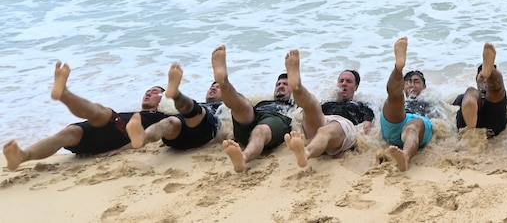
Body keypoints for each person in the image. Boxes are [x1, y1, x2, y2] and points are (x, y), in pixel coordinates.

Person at [4, 62, 166, 171]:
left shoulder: (160, 116)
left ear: (164, 100)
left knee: (103, 113)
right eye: (148, 90)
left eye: (155, 92)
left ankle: (64, 94)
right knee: (68, 133)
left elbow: (152, 135)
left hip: (122, 132)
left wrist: (122, 149)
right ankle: (22, 156)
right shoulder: (135, 111)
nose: (148, 92)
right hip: (98, 142)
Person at [211, 45, 295, 173]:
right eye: (278, 84)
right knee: (242, 104)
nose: (280, 86)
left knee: (260, 130)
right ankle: (223, 81)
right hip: (256, 114)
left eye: (285, 84)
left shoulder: (294, 104)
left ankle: (243, 157)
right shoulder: (264, 100)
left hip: (277, 118)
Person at [283, 50, 371, 168]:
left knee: (324, 131)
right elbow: (308, 118)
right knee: (312, 104)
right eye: (341, 81)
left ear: (356, 87)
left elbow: (365, 130)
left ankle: (306, 152)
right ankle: (297, 86)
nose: (344, 84)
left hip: (343, 127)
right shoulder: (327, 103)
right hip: (324, 122)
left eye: (349, 82)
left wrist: (352, 147)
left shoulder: (362, 105)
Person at [127, 64, 222, 152]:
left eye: (218, 87)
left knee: (194, 110)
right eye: (212, 86)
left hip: (204, 129)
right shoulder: (201, 104)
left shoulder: (223, 106)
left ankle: (175, 94)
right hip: (176, 140)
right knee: (168, 122)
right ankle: (143, 137)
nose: (213, 88)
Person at [380, 37, 440, 171]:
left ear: (424, 86)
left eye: (416, 81)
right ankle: (398, 68)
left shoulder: (430, 99)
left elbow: (441, 123)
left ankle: (405, 156)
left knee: (413, 126)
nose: (411, 84)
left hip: (418, 127)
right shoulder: (402, 97)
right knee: (394, 97)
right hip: (395, 123)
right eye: (407, 82)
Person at [453, 43, 507, 137]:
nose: (485, 81)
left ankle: (491, 73)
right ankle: (490, 75)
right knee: (472, 91)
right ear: (476, 78)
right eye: (482, 77)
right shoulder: (461, 98)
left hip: (491, 118)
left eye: (487, 78)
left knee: (495, 91)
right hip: (479, 122)